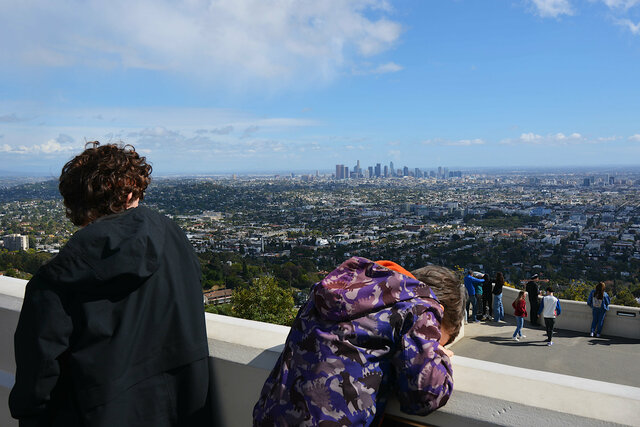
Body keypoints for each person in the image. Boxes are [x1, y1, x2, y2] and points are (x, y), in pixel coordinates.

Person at [9, 143, 211, 427]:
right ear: (132, 192)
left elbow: (37, 379)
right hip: (184, 410)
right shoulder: (175, 240)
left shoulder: (56, 279)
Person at [253, 257, 464, 426]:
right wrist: (438, 358)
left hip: (269, 417)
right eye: (438, 338)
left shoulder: (337, 286)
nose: (436, 344)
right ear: (441, 311)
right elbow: (423, 398)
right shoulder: (420, 305)